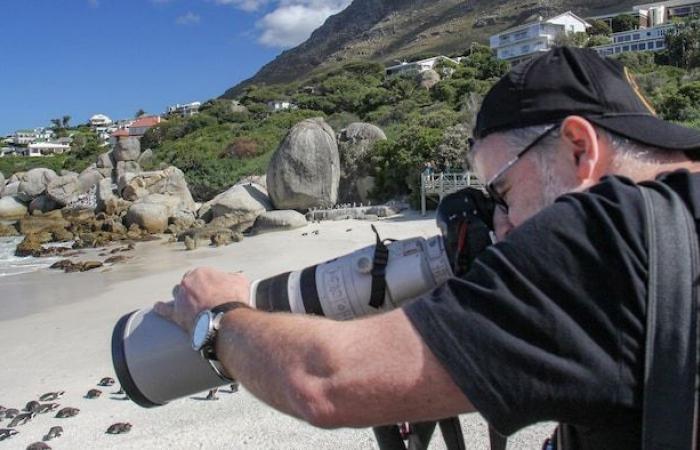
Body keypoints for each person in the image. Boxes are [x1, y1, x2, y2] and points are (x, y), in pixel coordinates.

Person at [154, 47, 700, 449]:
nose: (502, 227)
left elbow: (324, 382)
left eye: (502, 193)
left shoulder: (608, 240)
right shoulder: (675, 231)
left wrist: (219, 316)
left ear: (579, 148)